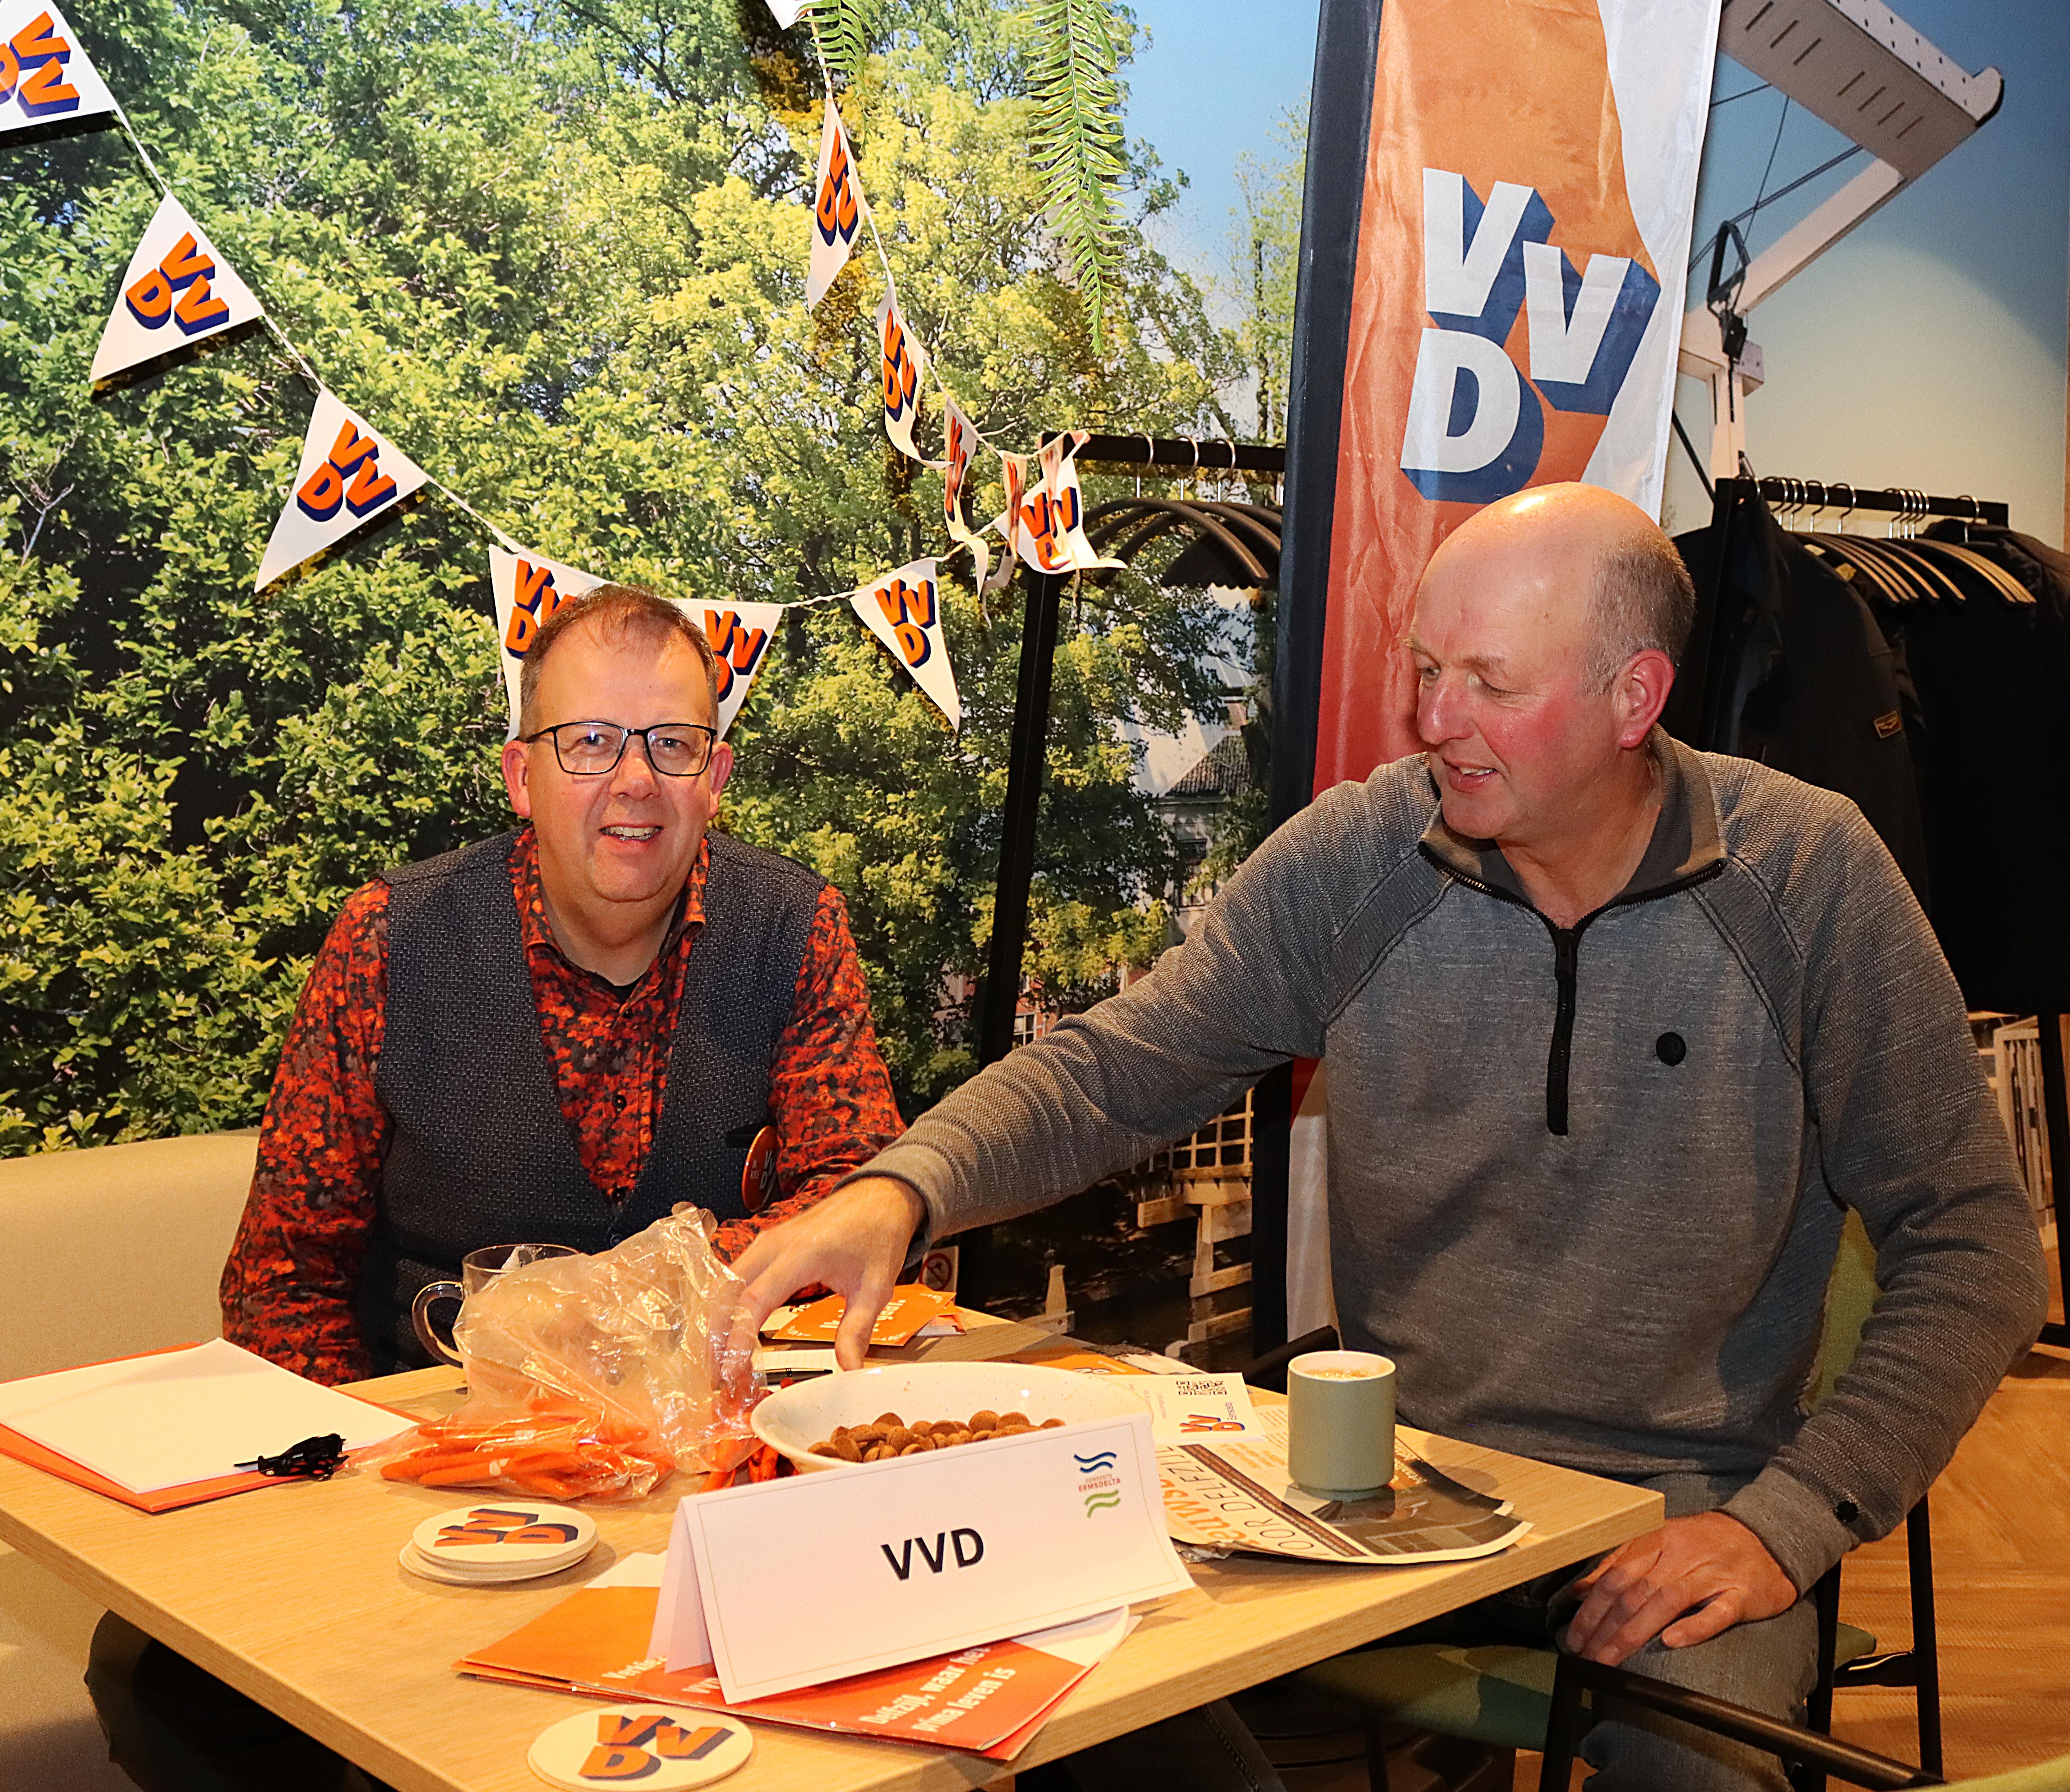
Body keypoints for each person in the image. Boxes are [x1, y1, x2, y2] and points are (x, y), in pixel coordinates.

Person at [728, 485, 2048, 1790]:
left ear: (1633, 698)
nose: (1434, 718)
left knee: (1698, 1769)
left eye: (1488, 682)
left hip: (1677, 1504)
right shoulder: (1363, 854)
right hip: (1385, 1472)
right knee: (1060, 1659)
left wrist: (1786, 1520)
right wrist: (904, 1189)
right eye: (1426, 669)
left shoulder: (1806, 877)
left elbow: (1975, 1247)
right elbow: (1121, 1065)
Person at [90, 583, 904, 1792]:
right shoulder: (387, 938)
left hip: (711, 1490)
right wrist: (357, 1494)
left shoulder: (796, 929)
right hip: (432, 1478)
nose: (635, 781)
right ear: (522, 776)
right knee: (158, 1675)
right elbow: (284, 1275)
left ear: (716, 777)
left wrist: (640, 1301)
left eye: (673, 745)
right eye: (590, 742)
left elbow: (859, 1203)